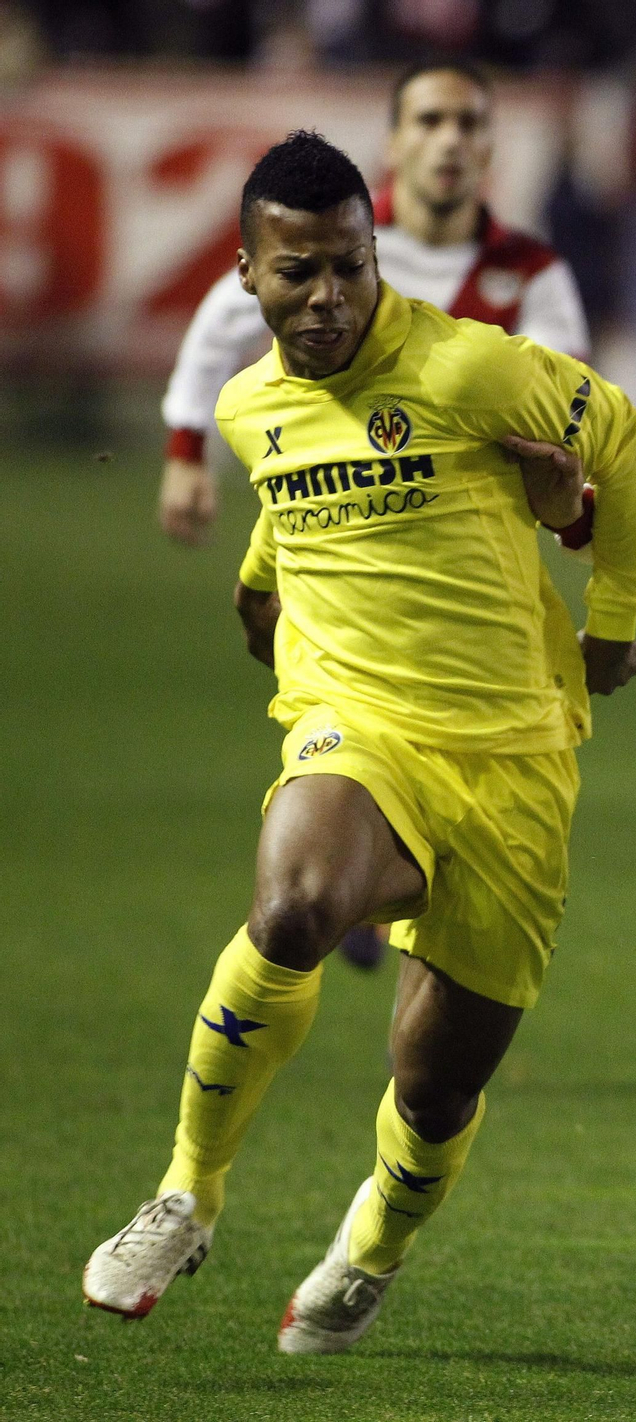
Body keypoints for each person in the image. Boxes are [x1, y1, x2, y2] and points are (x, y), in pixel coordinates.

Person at [83, 131, 636, 1354]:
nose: (331, 296)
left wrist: (613, 622)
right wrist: (254, 585)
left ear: (374, 252)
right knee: (295, 903)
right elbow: (292, 515)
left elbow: (628, 443)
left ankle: (374, 1247)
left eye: (350, 265)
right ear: (246, 273)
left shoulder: (467, 370)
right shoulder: (248, 407)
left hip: (513, 754)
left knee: (435, 1080)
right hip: (360, 723)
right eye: (299, 273)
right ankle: (186, 1192)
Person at [160, 59, 590, 971]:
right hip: (336, 533)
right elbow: (216, 327)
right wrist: (185, 454)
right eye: (430, 120)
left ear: (490, 147)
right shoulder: (328, 245)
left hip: (467, 561)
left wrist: (569, 504)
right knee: (329, 684)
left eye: (470, 124)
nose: (451, 141)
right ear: (394, 142)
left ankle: (382, 875)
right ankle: (351, 851)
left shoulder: (529, 274)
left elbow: (570, 416)